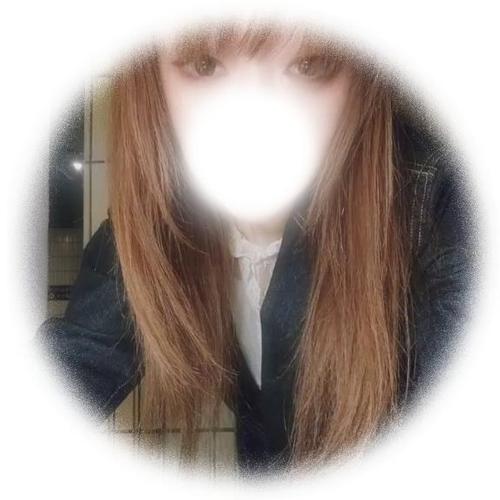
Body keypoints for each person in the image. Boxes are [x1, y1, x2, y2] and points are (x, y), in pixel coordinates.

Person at [36, 20, 478, 477]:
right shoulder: (160, 224)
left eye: (310, 64)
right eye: (204, 64)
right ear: (152, 77)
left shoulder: (440, 208)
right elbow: (71, 365)